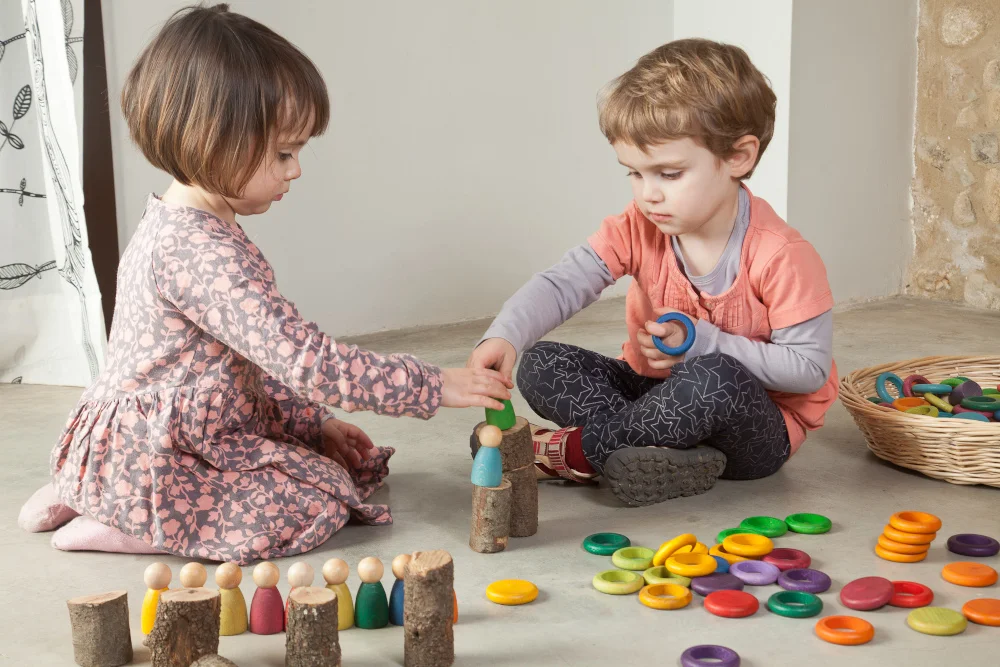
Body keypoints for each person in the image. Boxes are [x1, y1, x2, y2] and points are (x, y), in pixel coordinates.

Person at [17, 3, 511, 564]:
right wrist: (431, 385)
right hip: (159, 453)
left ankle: (89, 486)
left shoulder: (179, 222)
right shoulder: (202, 253)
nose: (296, 169)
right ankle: (137, 521)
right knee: (317, 499)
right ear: (210, 137)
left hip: (130, 440)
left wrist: (314, 421)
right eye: (283, 153)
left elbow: (246, 363)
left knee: (312, 457)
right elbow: (308, 362)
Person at [468, 39, 837, 507]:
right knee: (542, 362)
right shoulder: (639, 225)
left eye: (668, 173)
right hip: (654, 395)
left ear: (738, 158)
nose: (648, 195)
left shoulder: (781, 254)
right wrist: (504, 336)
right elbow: (563, 282)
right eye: (634, 174)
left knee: (712, 377)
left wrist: (702, 343)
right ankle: (655, 456)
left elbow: (807, 370)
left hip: (750, 428)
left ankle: (578, 453)